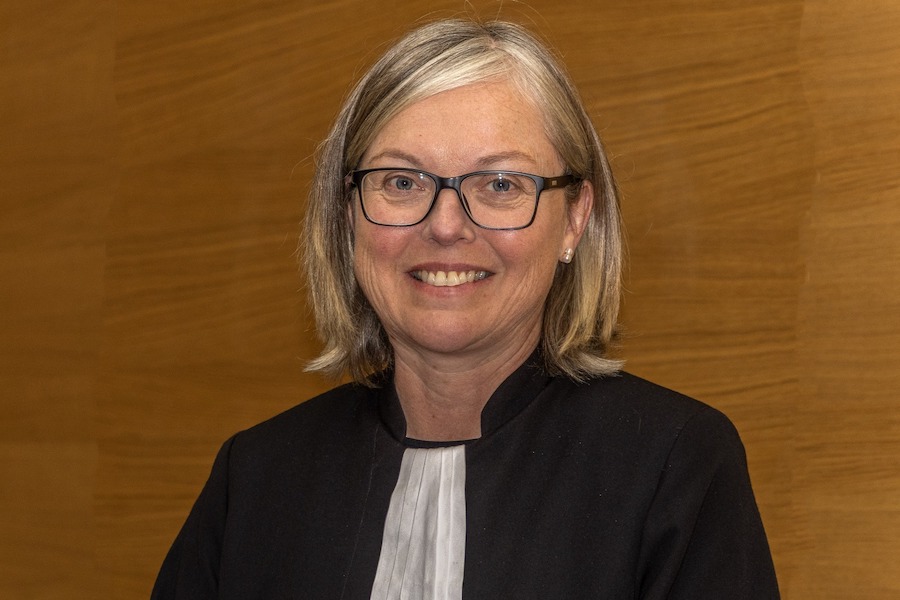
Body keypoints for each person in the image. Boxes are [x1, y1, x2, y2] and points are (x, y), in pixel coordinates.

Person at [152, 18, 780, 599]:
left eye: (501, 184)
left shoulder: (673, 465)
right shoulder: (255, 479)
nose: (446, 225)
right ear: (347, 216)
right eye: (402, 182)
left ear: (575, 219)